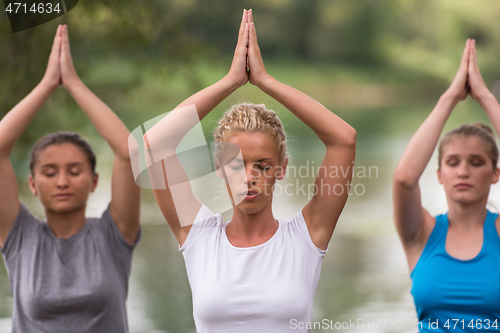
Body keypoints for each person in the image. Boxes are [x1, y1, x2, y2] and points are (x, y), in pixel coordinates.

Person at [144, 9, 356, 333]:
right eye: (235, 164)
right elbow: (154, 143)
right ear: (219, 168)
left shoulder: (307, 236)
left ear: (281, 169)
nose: (249, 176)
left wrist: (266, 81)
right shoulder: (198, 236)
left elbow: (343, 140)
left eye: (262, 165)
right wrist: (230, 82)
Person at [0, 25, 140, 332]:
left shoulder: (114, 235)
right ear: (32, 185)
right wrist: (47, 85)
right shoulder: (20, 236)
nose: (62, 181)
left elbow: (129, 153)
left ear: (93, 181)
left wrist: (73, 83)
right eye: (49, 173)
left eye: (75, 171)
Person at [393, 39, 500, 332]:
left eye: (476, 162)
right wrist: (451, 96)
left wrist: (486, 98)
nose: (463, 171)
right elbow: (404, 178)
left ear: (495, 173)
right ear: (440, 174)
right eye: (453, 162)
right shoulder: (421, 233)